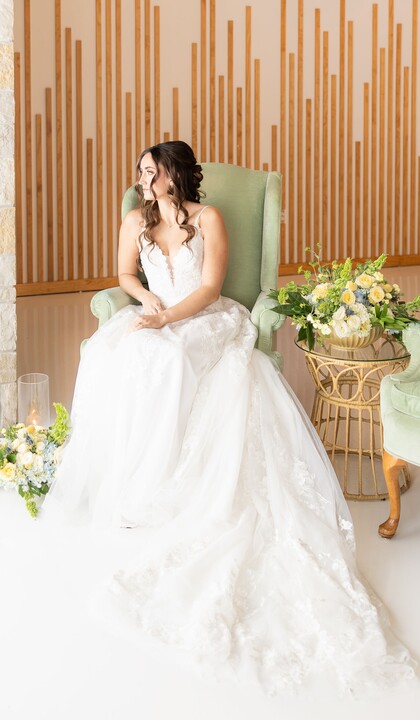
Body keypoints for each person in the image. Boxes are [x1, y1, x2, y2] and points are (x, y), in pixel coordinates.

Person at [43, 141, 415, 695]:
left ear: (173, 175)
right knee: (120, 353)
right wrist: (145, 300)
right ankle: (135, 481)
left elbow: (211, 288)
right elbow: (123, 274)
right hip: (157, 314)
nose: (142, 179)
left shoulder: (208, 219)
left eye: (150, 172)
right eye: (140, 172)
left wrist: (170, 317)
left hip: (204, 318)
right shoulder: (135, 220)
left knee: (170, 360)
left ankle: (174, 481)